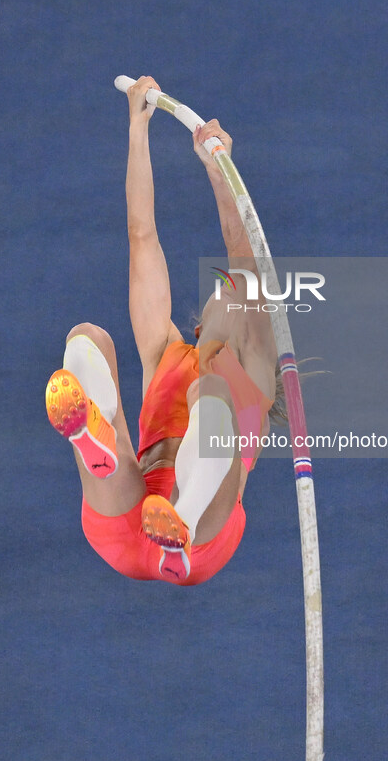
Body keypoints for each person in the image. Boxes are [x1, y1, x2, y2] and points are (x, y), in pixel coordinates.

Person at [45, 76, 277, 585]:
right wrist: (137, 129)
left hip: (201, 536)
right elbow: (141, 236)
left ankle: (183, 521)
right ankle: (92, 441)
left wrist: (222, 176)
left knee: (212, 390)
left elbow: (248, 266)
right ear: (200, 324)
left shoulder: (255, 372)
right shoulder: (165, 350)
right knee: (88, 340)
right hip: (132, 513)